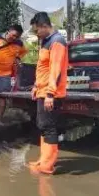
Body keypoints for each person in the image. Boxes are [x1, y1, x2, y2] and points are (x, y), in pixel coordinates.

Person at [28, 12, 68, 174]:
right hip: (42, 90)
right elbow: (43, 68)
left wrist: (50, 94)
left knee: (49, 127)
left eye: (37, 30)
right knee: (43, 125)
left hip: (51, 93)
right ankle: (43, 160)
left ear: (45, 26)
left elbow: (56, 69)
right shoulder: (46, 41)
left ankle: (47, 165)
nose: (36, 33)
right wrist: (36, 87)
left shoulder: (57, 42)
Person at [0, 24, 28, 126]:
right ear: (9, 31)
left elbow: (24, 51)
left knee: (2, 97)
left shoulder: (19, 43)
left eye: (17, 37)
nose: (15, 38)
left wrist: (18, 58)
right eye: (14, 35)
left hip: (5, 75)